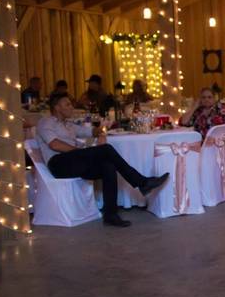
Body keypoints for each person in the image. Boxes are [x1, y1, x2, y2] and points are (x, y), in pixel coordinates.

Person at [37, 92, 168, 227]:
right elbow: (54, 144)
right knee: (106, 149)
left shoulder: (68, 125)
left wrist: (101, 133)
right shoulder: (46, 122)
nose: (72, 107)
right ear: (57, 107)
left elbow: (91, 131)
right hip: (58, 164)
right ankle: (142, 182)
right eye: (67, 104)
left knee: (108, 165)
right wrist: (81, 152)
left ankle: (110, 214)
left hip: (74, 161)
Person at [180, 87, 225, 152]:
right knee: (185, 149)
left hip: (222, 143)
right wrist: (194, 107)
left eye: (209, 97)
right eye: (203, 97)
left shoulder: (221, 108)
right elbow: (184, 122)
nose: (206, 99)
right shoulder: (198, 111)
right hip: (203, 144)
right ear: (200, 99)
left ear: (214, 98)